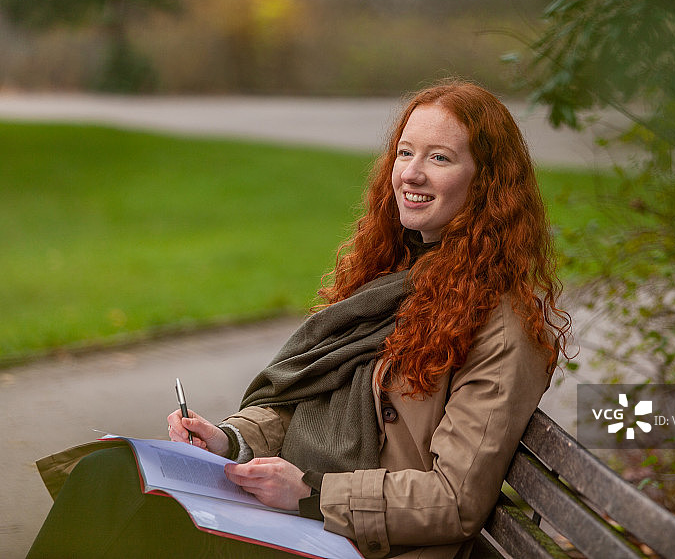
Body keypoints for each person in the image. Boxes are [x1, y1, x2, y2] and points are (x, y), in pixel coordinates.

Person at [27, 80, 570, 559]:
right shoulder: (392, 280)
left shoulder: (503, 327)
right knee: (113, 475)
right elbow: (306, 408)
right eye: (405, 153)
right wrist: (228, 443)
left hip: (359, 543)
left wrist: (311, 491)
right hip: (302, 523)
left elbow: (454, 501)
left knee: (122, 507)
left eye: (440, 158)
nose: (412, 173)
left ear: (488, 183)